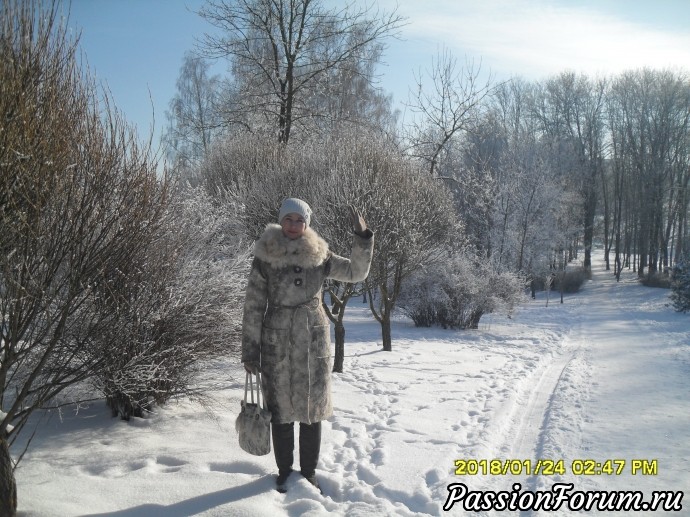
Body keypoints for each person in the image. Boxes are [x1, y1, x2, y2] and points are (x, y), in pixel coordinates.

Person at [241, 197, 374, 493]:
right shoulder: (266, 257)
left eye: (299, 220)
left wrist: (362, 238)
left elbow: (356, 272)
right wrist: (250, 350)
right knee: (280, 411)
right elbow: (252, 307)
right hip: (276, 340)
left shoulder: (320, 255)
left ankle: (309, 472)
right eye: (288, 219)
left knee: (312, 410)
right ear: (280, 220)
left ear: (307, 224)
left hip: (312, 341)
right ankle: (285, 471)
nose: (293, 225)